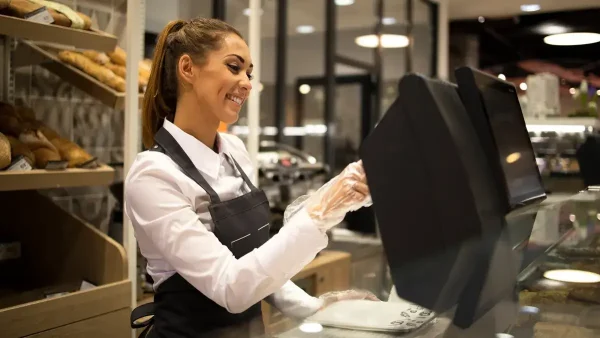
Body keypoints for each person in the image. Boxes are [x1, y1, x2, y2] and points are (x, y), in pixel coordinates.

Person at [125, 18, 376, 338]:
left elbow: (253, 265)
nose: (246, 82)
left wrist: (312, 307)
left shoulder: (234, 151)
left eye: (249, 73)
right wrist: (321, 211)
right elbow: (231, 286)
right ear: (187, 68)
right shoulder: (154, 175)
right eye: (234, 67)